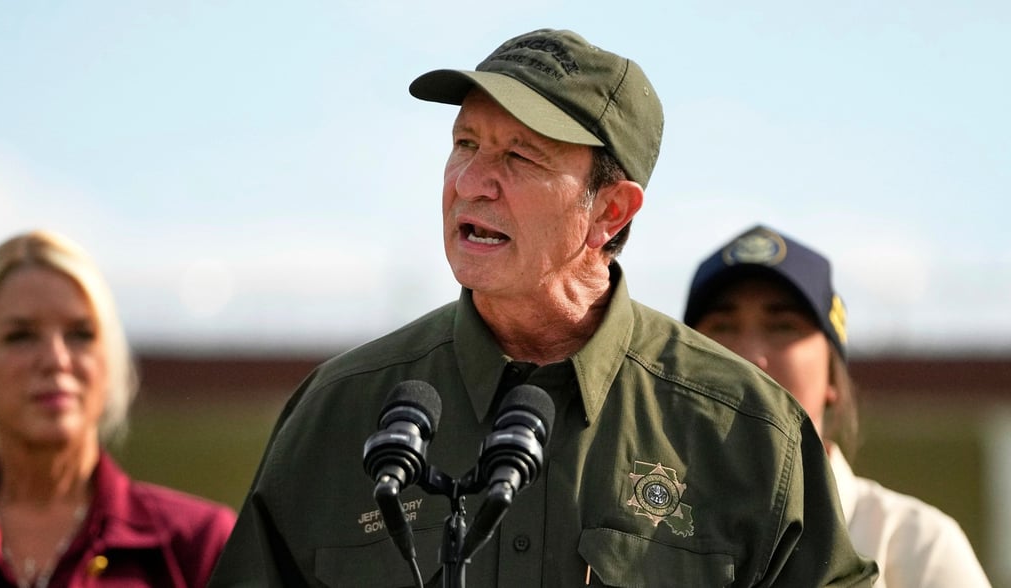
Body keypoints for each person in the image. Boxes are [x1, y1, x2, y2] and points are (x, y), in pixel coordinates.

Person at [209, 29, 876, 587]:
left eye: (519, 157)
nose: (471, 183)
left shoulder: (748, 431)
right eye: (464, 144)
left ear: (609, 211)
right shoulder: (338, 411)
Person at [683, 224, 991, 588]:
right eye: (721, 326)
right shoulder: (634, 527)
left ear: (833, 377)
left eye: (782, 326)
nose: (750, 357)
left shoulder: (916, 544)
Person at [0, 229, 237, 587]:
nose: (56, 359)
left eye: (81, 334)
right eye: (21, 335)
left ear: (111, 358)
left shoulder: (197, 543)